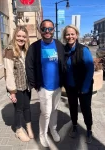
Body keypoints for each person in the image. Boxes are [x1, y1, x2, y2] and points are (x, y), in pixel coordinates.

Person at [25, 19, 65, 147]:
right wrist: (35, 84)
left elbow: (64, 63)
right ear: (40, 30)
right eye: (44, 29)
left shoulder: (59, 45)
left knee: (54, 110)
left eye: (50, 28)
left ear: (53, 29)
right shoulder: (35, 47)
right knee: (45, 112)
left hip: (57, 86)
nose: (47, 31)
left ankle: (53, 130)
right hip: (43, 87)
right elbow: (29, 66)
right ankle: (43, 134)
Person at [62, 25, 94, 143]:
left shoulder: (83, 50)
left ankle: (89, 129)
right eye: (67, 34)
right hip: (70, 87)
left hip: (84, 87)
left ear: (76, 35)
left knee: (85, 108)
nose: (70, 36)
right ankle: (74, 126)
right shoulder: (64, 50)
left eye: (72, 34)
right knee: (73, 107)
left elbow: (90, 69)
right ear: (65, 36)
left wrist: (85, 87)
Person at [4, 25, 34, 142]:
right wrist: (12, 91)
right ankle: (18, 130)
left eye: (23, 36)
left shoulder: (26, 50)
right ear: (15, 36)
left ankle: (29, 127)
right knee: (18, 109)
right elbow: (9, 72)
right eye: (19, 36)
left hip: (27, 86)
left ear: (26, 38)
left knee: (27, 107)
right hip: (16, 87)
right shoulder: (9, 50)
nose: (21, 39)